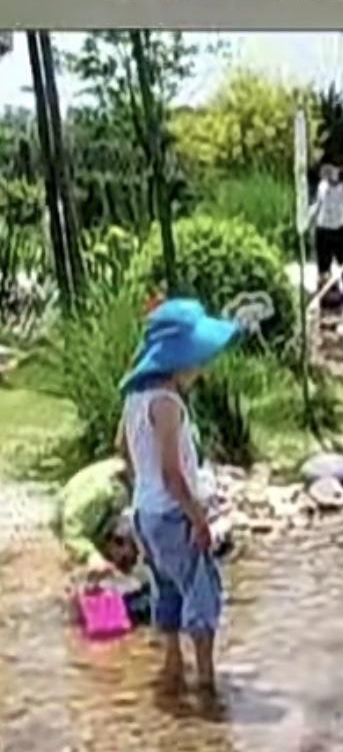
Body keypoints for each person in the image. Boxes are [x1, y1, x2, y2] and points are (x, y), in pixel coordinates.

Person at [119, 296, 241, 698]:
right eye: (198, 360)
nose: (201, 368)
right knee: (201, 588)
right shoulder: (167, 403)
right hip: (173, 513)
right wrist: (198, 518)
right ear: (180, 359)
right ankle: (206, 680)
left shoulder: (135, 398)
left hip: (145, 513)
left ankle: (172, 663)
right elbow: (173, 474)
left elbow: (123, 450)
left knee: (166, 587)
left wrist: (142, 488)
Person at [308, 161, 343, 306]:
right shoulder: (322, 186)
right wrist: (309, 217)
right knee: (323, 265)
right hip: (323, 229)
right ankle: (325, 294)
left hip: (339, 230)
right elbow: (318, 204)